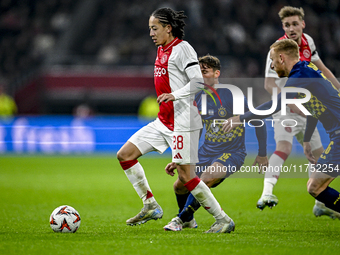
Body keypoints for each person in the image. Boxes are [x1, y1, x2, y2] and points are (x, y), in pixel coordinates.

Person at [116, 8, 234, 233]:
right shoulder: (161, 50)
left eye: (155, 28)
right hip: (163, 121)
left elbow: (199, 82)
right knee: (125, 155)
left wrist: (175, 94)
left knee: (186, 178)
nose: (151, 33)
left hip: (183, 122)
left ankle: (223, 219)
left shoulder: (183, 49)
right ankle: (150, 204)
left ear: (168, 28)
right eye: (150, 29)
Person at [223, 38, 340, 216]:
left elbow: (274, 106)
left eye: (272, 60)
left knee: (316, 187)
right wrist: (307, 138)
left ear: (281, 57)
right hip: (337, 134)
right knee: (314, 186)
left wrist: (240, 118)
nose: (271, 65)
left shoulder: (298, 77)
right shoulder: (306, 72)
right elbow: (316, 109)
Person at [162, 55, 268, 231]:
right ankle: (188, 219)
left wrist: (262, 153)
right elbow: (196, 131)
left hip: (232, 152)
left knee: (205, 179)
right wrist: (182, 157)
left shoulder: (231, 94)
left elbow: (258, 120)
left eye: (204, 72)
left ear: (217, 73)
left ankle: (180, 220)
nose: (200, 76)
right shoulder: (197, 97)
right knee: (180, 185)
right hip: (206, 151)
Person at [259, 6, 340, 219]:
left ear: (303, 24)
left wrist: (337, 89)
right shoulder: (277, 50)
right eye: (287, 25)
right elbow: (269, 84)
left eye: (295, 24)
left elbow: (322, 69)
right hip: (286, 103)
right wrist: (287, 102)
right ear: (282, 27)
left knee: (318, 154)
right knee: (284, 147)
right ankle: (266, 193)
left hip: (308, 104)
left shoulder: (308, 43)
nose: (291, 28)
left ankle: (320, 202)